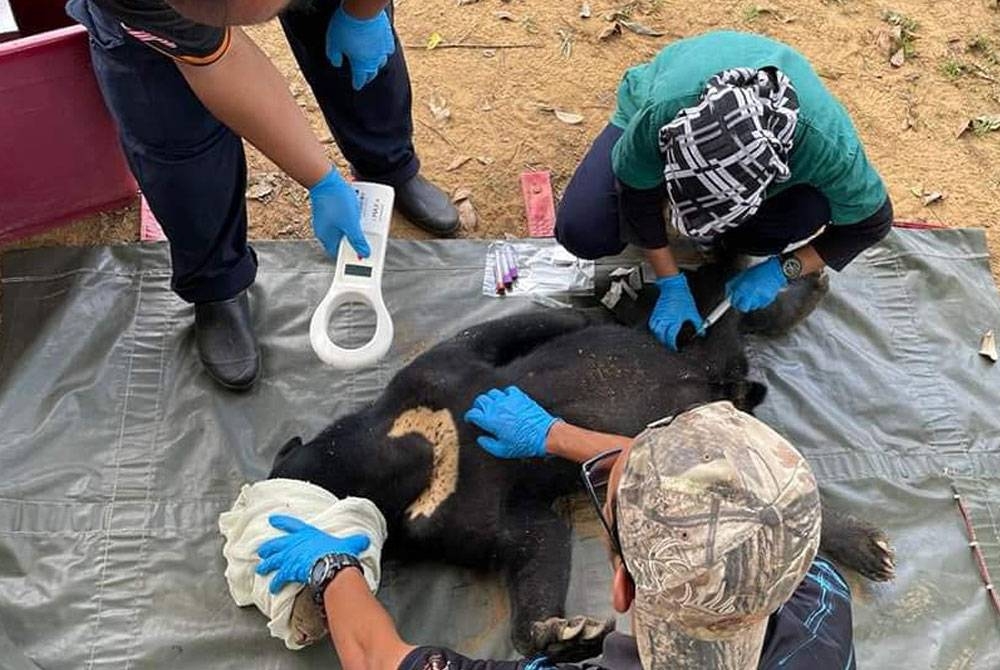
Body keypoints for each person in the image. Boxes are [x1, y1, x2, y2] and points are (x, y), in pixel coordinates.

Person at [254, 394, 856, 669]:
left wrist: (334, 569)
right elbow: (710, 492)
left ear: (619, 584)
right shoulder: (822, 602)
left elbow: (378, 658)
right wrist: (558, 436)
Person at [65, 0, 460, 390]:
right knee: (169, 120)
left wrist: (364, 14)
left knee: (351, 34)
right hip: (146, 14)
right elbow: (221, 65)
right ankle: (217, 281)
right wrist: (320, 179)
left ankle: (388, 166)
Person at [556, 31, 894, 351]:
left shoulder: (828, 149)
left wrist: (784, 268)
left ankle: (737, 234)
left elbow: (872, 223)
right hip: (672, 86)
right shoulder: (662, 117)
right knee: (583, 230)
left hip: (790, 149)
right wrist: (670, 283)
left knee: (804, 212)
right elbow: (635, 192)